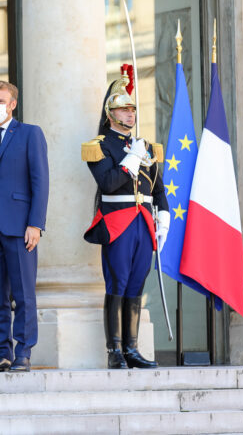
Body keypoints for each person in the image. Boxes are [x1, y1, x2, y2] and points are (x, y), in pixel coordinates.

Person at [82, 64, 169, 369]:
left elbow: (158, 189)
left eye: (132, 109)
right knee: (117, 281)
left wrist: (164, 219)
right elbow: (107, 183)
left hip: (143, 221)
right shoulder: (99, 147)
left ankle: (132, 348)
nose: (130, 115)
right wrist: (131, 159)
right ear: (110, 114)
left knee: (136, 283)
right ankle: (114, 350)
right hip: (117, 220)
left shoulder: (147, 147)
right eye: (123, 110)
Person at [0, 80, 48, 373]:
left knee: (24, 292)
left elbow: (40, 181)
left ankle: (23, 352)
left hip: (19, 227)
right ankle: (1, 352)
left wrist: (36, 224)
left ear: (13, 104)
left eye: (0, 101)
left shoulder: (30, 134)